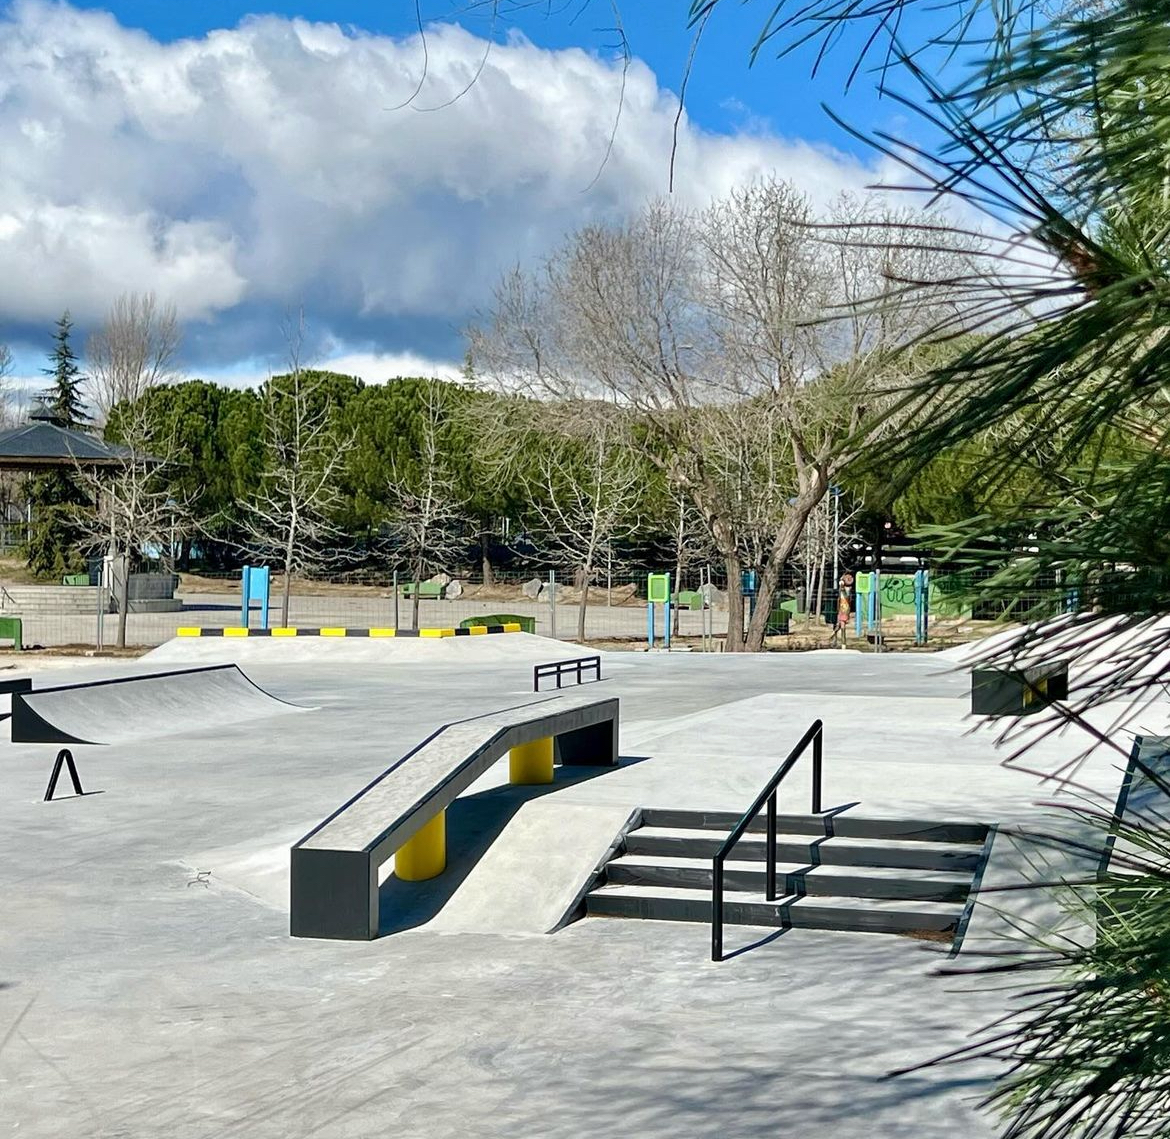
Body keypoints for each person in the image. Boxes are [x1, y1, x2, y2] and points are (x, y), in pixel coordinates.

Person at [833, 572, 854, 647]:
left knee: (842, 625)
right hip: (841, 608)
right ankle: (837, 638)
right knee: (840, 625)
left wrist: (841, 583)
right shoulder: (842, 590)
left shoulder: (847, 589)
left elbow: (845, 592)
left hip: (844, 609)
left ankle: (843, 643)